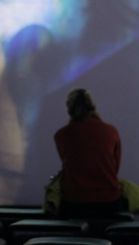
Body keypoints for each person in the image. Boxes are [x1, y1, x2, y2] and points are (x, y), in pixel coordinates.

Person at [53, 88, 127, 216]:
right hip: (109, 201)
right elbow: (115, 166)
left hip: (73, 202)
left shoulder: (61, 135)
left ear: (69, 109)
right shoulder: (111, 131)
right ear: (92, 107)